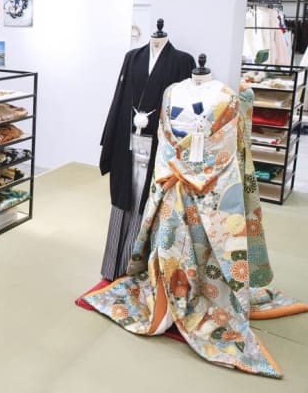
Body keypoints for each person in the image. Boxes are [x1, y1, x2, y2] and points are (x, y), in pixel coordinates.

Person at [84, 70, 308, 378]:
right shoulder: (171, 92)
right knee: (166, 243)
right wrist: (174, 173)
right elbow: (165, 142)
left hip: (208, 188)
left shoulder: (226, 96)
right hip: (171, 184)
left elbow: (226, 149)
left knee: (210, 253)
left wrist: (190, 173)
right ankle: (165, 299)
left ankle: (205, 297)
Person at [98, 23, 195, 281]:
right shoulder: (132, 57)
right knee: (124, 194)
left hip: (159, 143)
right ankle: (112, 266)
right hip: (128, 140)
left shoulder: (182, 61)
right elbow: (119, 98)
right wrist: (109, 139)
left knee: (149, 200)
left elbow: (184, 111)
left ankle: (135, 272)